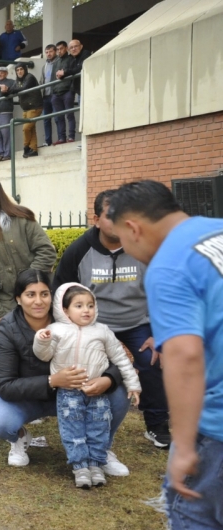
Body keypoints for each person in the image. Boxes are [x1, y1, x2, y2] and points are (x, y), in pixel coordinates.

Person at [107, 180, 223, 528]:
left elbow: (184, 356)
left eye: (123, 242)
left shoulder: (169, 264)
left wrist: (184, 446)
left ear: (133, 228)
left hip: (217, 427)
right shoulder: (216, 231)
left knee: (193, 517)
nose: (126, 249)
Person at [0, 269, 132, 475]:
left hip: (81, 394)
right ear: (18, 299)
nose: (38, 301)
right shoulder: (7, 330)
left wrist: (108, 379)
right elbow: (4, 385)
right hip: (30, 397)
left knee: (119, 393)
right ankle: (19, 437)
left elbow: (115, 355)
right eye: (30, 294)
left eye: (44, 294)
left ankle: (101, 450)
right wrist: (52, 380)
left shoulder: (73, 314)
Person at [53, 190, 171, 448]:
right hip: (92, 323)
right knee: (86, 367)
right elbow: (61, 291)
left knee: (151, 360)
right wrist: (70, 329)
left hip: (137, 322)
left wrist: (159, 332)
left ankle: (157, 424)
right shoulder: (79, 251)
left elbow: (162, 291)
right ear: (96, 219)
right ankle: (78, 419)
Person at [33, 283, 141, 488]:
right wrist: (42, 340)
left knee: (99, 428)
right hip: (68, 393)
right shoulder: (55, 330)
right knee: (73, 429)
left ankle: (96, 465)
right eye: (79, 306)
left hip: (97, 392)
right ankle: (80, 467)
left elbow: (121, 358)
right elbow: (44, 355)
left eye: (90, 306)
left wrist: (133, 384)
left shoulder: (102, 331)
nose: (86, 311)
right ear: (65, 310)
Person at [0, 174, 56, 329]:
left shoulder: (21, 218)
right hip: (6, 300)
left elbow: (46, 251)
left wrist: (28, 285)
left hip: (38, 294)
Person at [8, 63, 43, 158]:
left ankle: (26, 146)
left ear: (25, 69)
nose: (19, 71)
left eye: (21, 69)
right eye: (17, 70)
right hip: (25, 108)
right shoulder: (17, 80)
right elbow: (10, 90)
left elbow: (24, 88)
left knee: (26, 128)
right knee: (31, 129)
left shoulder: (30, 77)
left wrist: (12, 90)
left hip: (35, 106)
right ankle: (33, 149)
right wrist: (5, 90)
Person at [50, 41, 75, 144]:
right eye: (58, 49)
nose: (59, 51)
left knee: (69, 114)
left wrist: (71, 90)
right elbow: (52, 78)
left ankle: (71, 137)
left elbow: (73, 74)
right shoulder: (55, 62)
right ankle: (61, 138)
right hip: (56, 93)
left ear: (66, 49)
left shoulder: (71, 59)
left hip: (67, 91)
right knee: (59, 117)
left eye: (61, 49)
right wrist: (53, 92)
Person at [60, 39, 91, 104]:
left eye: (76, 46)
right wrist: (61, 75)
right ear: (68, 50)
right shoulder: (70, 58)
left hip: (88, 88)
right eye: (71, 47)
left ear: (81, 46)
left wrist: (65, 72)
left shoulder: (86, 53)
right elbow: (65, 71)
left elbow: (81, 68)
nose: (73, 49)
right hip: (79, 90)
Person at [39, 44, 57, 147]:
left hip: (54, 94)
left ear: (55, 52)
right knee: (46, 120)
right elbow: (42, 80)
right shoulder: (44, 66)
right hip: (45, 95)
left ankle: (60, 139)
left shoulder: (58, 63)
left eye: (50, 51)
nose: (48, 54)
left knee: (57, 118)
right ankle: (48, 141)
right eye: (46, 52)